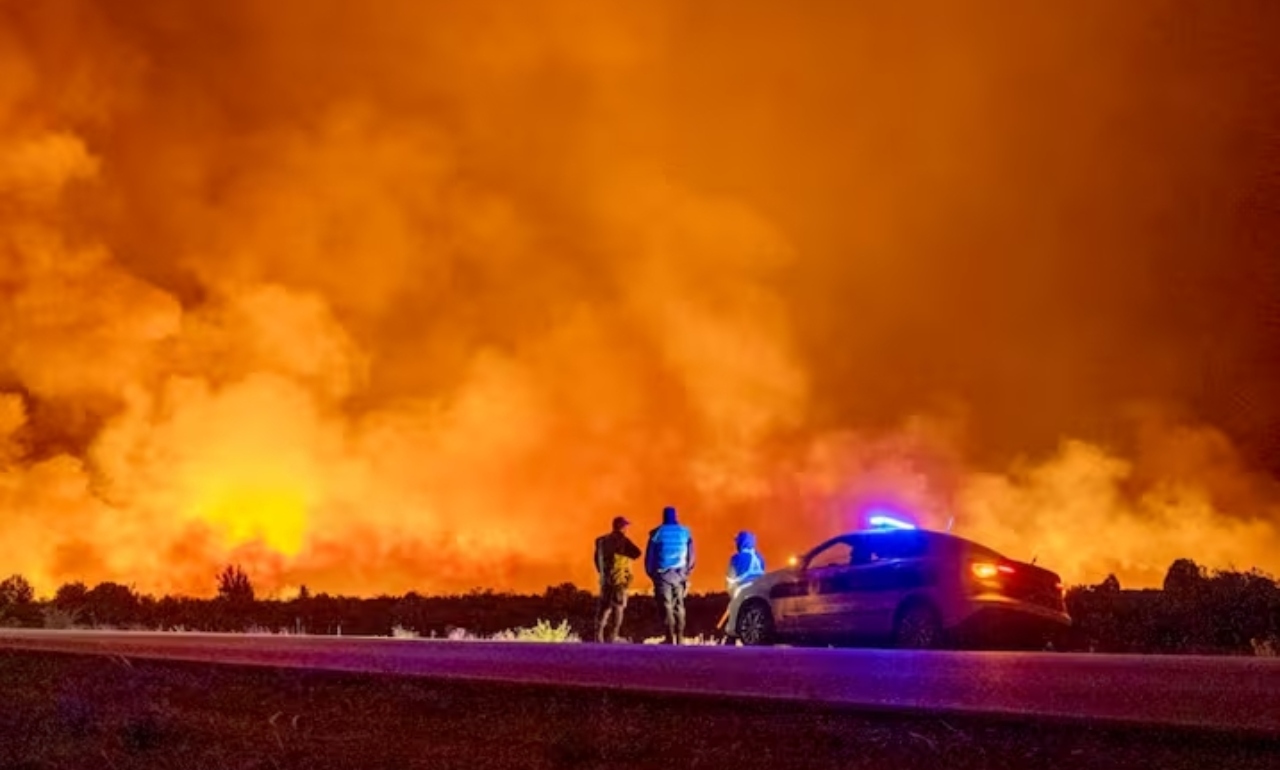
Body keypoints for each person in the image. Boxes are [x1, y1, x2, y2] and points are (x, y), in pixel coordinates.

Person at [644, 506, 695, 645]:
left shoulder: (657, 532)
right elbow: (691, 555)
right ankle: (680, 637)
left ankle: (669, 637)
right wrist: (686, 572)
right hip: (680, 574)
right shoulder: (685, 532)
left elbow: (650, 556)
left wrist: (652, 574)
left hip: (663, 574)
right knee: (679, 605)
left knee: (665, 606)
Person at [593, 516, 642, 643]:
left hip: (605, 579)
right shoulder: (623, 540)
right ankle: (613, 636)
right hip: (619, 579)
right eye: (626, 526)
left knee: (604, 606)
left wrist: (604, 573)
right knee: (618, 606)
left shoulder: (601, 541)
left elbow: (596, 561)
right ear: (623, 527)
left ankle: (598, 635)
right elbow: (637, 553)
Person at [717, 530, 766, 639]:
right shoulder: (760, 558)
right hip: (760, 592)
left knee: (733, 619)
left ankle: (730, 636)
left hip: (741, 592)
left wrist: (731, 594)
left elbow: (730, 579)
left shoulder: (736, 558)